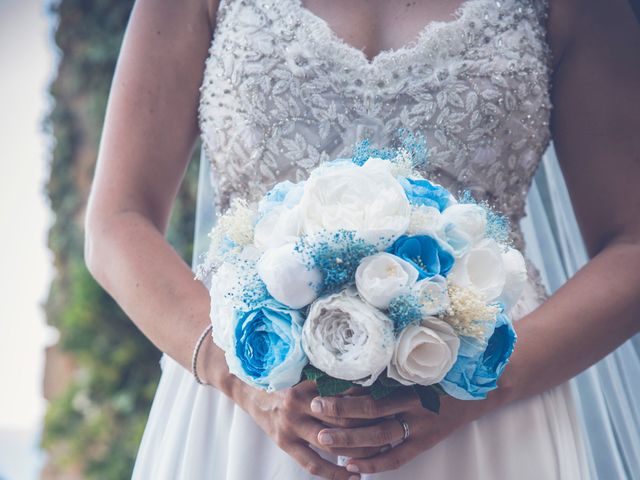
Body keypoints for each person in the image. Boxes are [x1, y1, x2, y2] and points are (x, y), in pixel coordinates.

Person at [84, 0, 640, 478]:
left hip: (486, 412)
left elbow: (632, 243)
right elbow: (117, 218)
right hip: (251, 409)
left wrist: (486, 385)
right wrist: (238, 378)